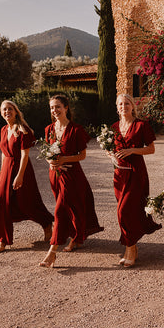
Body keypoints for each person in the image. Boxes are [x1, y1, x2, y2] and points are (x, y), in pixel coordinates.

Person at [39, 94, 103, 268]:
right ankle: (77, 238)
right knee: (71, 209)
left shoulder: (76, 130)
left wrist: (64, 160)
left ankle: (52, 251)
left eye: (58, 106)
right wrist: (51, 162)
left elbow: (82, 155)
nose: (55, 110)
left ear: (66, 107)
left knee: (60, 210)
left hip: (72, 177)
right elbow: (46, 153)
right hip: (55, 176)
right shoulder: (49, 130)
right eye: (52, 107)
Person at [0, 100, 53, 253]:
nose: (7, 112)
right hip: (7, 169)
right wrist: (1, 172)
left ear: (16, 111)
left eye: (10, 109)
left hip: (22, 169)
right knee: (1, 202)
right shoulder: (3, 130)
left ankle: (46, 224)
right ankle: (3, 239)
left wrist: (19, 176)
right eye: (4, 109)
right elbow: (4, 152)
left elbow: (25, 155)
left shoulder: (23, 130)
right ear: (1, 113)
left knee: (27, 201)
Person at [112, 94, 161, 268]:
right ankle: (130, 247)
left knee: (125, 211)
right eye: (120, 104)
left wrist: (132, 150)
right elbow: (110, 148)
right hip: (119, 174)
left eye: (127, 103)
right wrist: (110, 155)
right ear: (117, 107)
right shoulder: (114, 127)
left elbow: (151, 149)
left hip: (136, 173)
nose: (123, 106)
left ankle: (131, 249)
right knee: (124, 211)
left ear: (132, 106)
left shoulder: (142, 125)